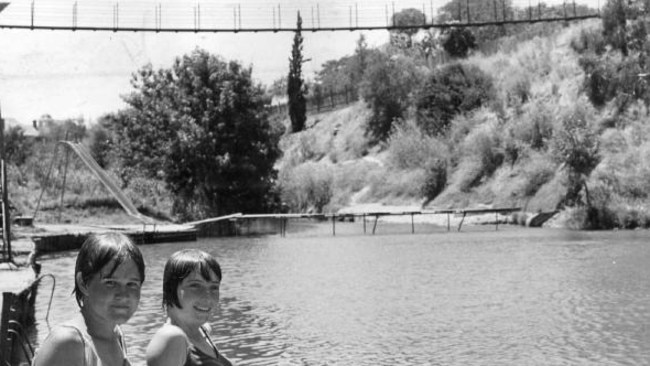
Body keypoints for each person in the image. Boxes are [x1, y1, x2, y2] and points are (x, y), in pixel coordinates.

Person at [32, 232, 145, 366]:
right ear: (83, 283)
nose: (123, 295)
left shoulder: (116, 335)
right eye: (110, 282)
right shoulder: (68, 344)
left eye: (132, 284)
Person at [146, 249, 232, 366]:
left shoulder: (202, 330)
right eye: (195, 285)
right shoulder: (171, 339)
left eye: (214, 287)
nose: (207, 297)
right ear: (171, 288)